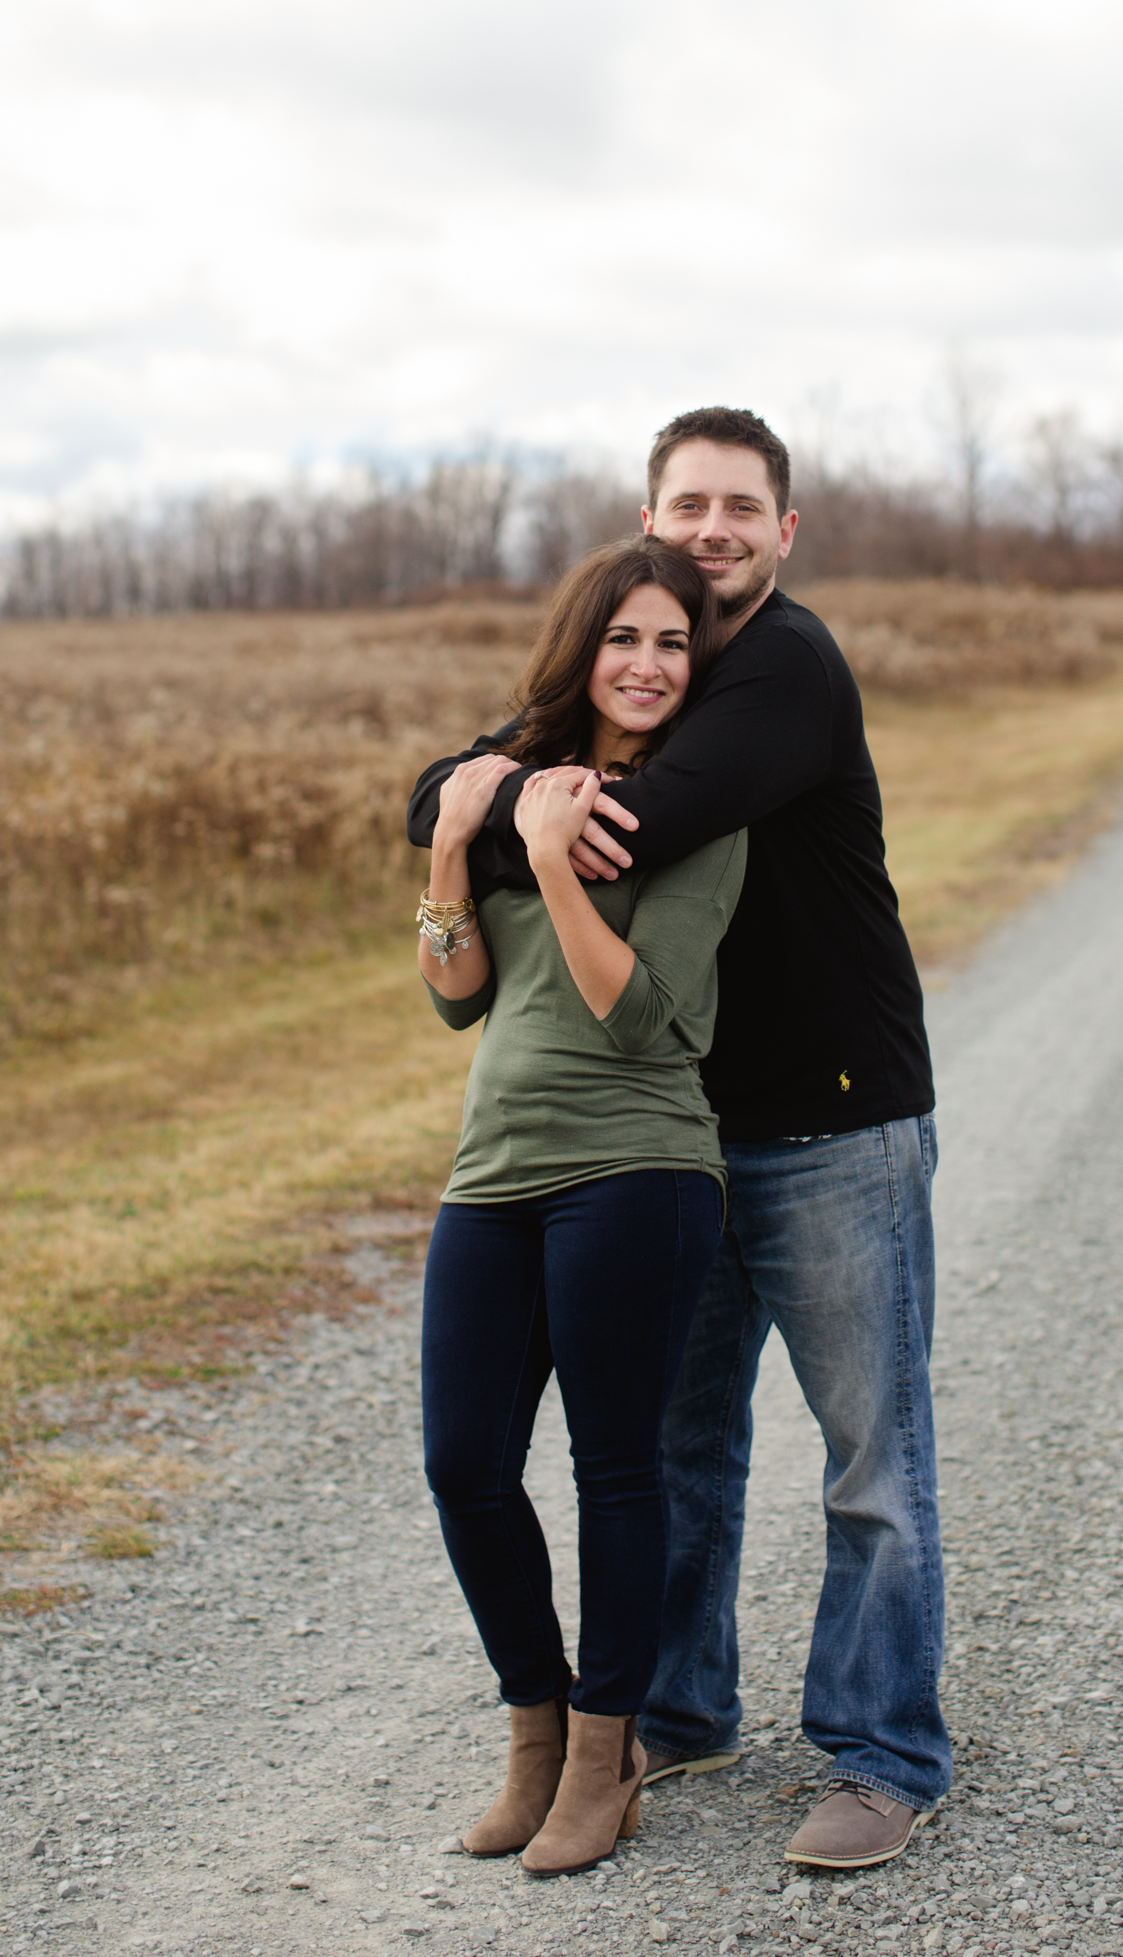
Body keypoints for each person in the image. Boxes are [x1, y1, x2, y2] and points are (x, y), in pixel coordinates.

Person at [408, 407, 948, 1871]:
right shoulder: (666, 666)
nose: (711, 528)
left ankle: (881, 1754)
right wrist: (479, 803)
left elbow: (635, 823)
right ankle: (673, 1709)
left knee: (868, 1457)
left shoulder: (779, 666)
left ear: (784, 531)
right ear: (653, 520)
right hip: (681, 1135)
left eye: (738, 507)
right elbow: (436, 796)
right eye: (685, 503)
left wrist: (501, 800)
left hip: (833, 1119)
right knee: (674, 1442)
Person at [417, 535, 747, 1879]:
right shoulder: (518, 786)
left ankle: (606, 1761)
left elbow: (641, 1020)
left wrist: (554, 861)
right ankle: (535, 1731)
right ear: (584, 650)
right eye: (627, 639)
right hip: (493, 1169)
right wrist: (454, 841)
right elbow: (454, 996)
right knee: (463, 1465)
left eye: (675, 642)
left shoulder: (701, 809)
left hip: (639, 1164)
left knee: (614, 1466)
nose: (650, 663)